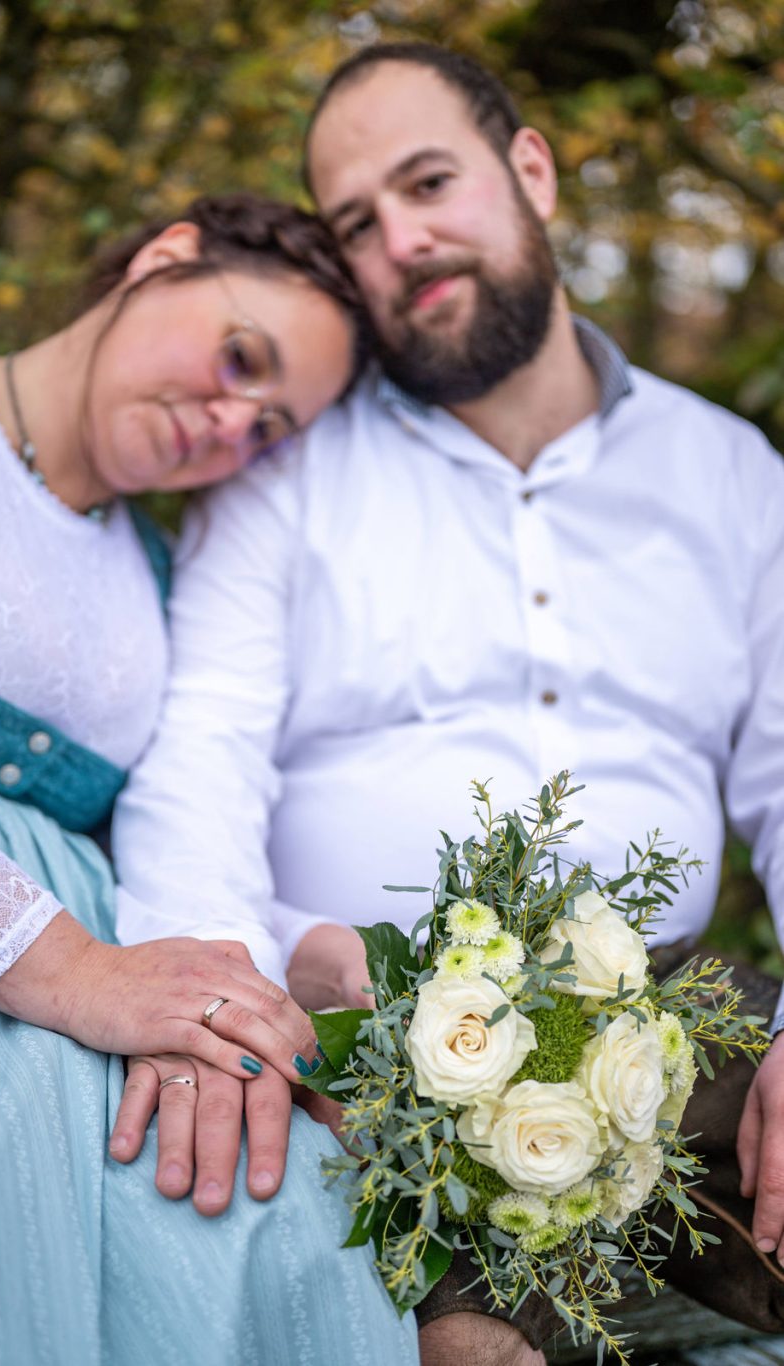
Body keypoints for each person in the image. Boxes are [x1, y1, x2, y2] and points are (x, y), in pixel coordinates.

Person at [113, 44, 784, 1366]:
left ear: (527, 170)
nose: (401, 242)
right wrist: (216, 997)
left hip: (672, 1035)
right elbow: (201, 753)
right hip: (355, 1037)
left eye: (428, 183)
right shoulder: (279, 463)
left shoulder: (729, 474)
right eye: (354, 224)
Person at [0, 192, 420, 1366]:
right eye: (238, 358)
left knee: (284, 1238)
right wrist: (77, 972)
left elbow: (146, 853)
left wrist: (302, 949)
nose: (229, 425)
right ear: (164, 257)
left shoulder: (164, 575)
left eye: (266, 427)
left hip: (76, 1028)